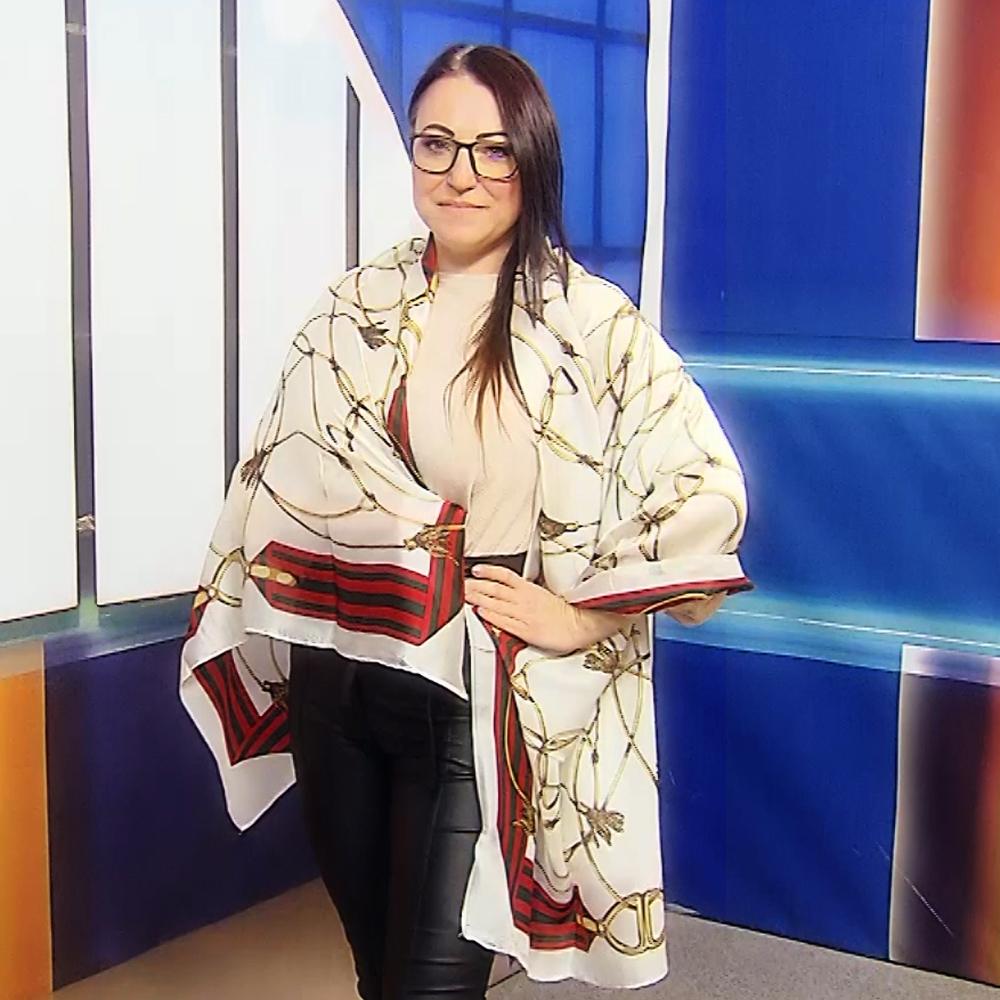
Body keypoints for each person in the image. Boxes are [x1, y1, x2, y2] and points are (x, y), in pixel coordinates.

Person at [180, 43, 750, 1000]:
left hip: (472, 700)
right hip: (336, 682)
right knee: (378, 975)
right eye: (436, 144)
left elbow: (701, 488)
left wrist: (582, 616)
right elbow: (277, 482)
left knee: (431, 987)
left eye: (493, 150)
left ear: (532, 160)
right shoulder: (352, 306)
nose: (461, 173)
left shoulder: (589, 324)